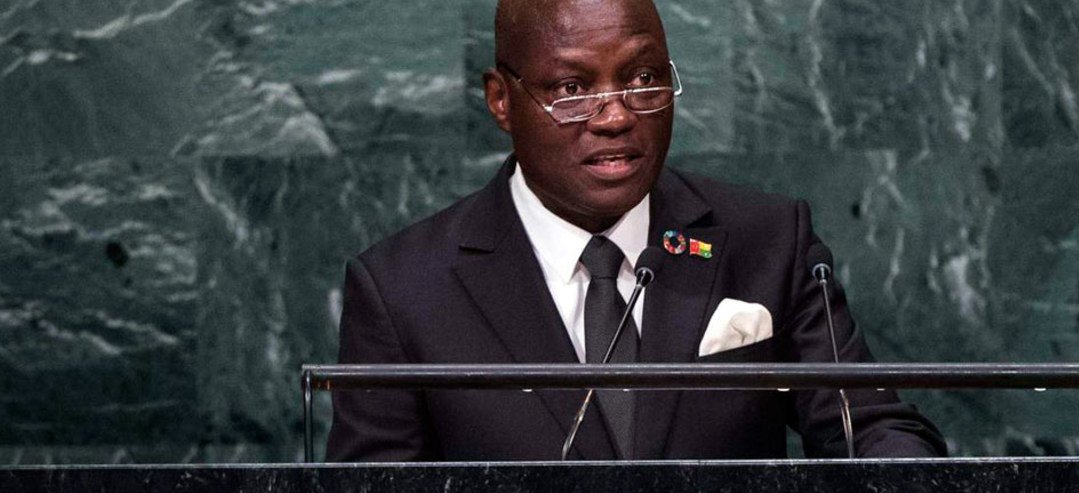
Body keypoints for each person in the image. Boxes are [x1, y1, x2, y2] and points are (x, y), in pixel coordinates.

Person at [326, 0, 945, 461]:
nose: (617, 115)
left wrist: (901, 476)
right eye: (572, 89)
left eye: (643, 79)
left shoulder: (768, 241)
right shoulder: (404, 290)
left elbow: (869, 427)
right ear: (501, 100)